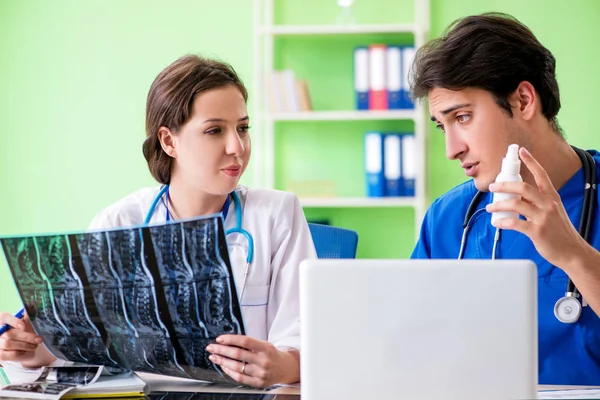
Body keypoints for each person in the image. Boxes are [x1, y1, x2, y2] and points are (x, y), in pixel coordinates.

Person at [0, 54, 316, 388]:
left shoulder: (276, 213)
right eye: (214, 130)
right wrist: (27, 350)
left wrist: (285, 365)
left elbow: (307, 336)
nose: (237, 146)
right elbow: (84, 347)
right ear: (168, 141)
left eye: (243, 128)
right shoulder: (120, 222)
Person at [408, 12, 600, 385]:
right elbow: (410, 341)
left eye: (462, 117)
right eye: (441, 126)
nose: (451, 149)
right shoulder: (447, 218)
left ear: (524, 100)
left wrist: (572, 254)